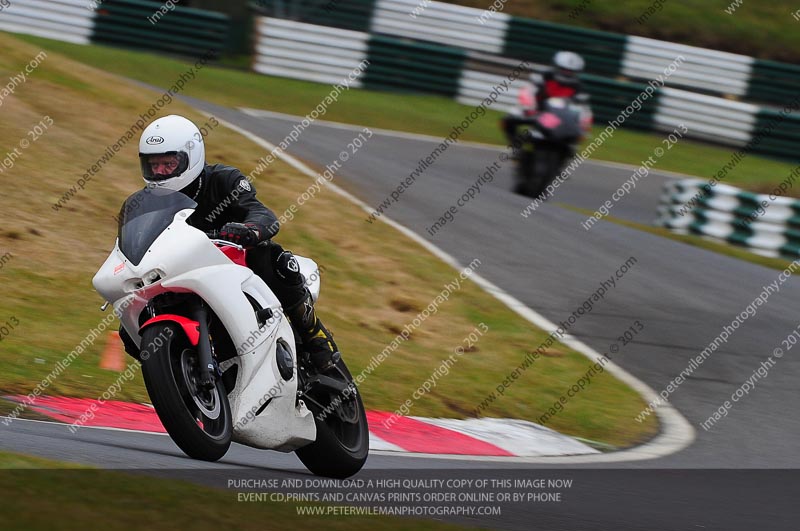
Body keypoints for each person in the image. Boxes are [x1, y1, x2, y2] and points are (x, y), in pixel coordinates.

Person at [120, 114, 340, 372]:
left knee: (273, 258)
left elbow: (263, 215)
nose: (159, 172)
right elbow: (133, 245)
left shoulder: (223, 180)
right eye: (152, 164)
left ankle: (315, 337)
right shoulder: (139, 205)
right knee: (129, 323)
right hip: (179, 274)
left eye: (168, 164)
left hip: (235, 266)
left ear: (191, 158)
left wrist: (249, 230)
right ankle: (179, 374)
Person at [502, 51, 585, 153]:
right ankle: (516, 146)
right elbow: (528, 91)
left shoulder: (578, 87)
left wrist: (581, 124)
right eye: (564, 70)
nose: (567, 73)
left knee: (578, 135)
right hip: (538, 111)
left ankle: (569, 148)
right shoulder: (543, 77)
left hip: (562, 118)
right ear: (556, 66)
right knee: (509, 118)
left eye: (570, 71)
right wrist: (529, 107)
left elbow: (583, 109)